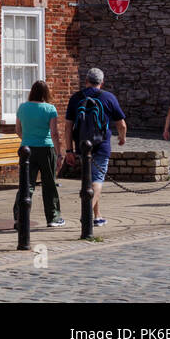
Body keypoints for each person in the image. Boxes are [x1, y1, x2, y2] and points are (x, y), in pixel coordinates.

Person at [61, 67, 127, 227]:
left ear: (86, 81)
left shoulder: (76, 98)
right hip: (102, 145)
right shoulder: (108, 97)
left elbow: (68, 127)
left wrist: (69, 150)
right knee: (97, 180)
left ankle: (97, 216)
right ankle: (86, 213)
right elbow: (122, 124)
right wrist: (122, 138)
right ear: (102, 83)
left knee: (89, 180)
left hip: (83, 145)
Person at [15, 80, 65, 227]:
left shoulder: (23, 107)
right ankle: (53, 218)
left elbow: (18, 129)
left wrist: (27, 139)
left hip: (27, 149)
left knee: (26, 184)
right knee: (49, 184)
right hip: (46, 148)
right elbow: (54, 133)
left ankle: (20, 217)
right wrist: (59, 153)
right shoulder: (50, 109)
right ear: (46, 93)